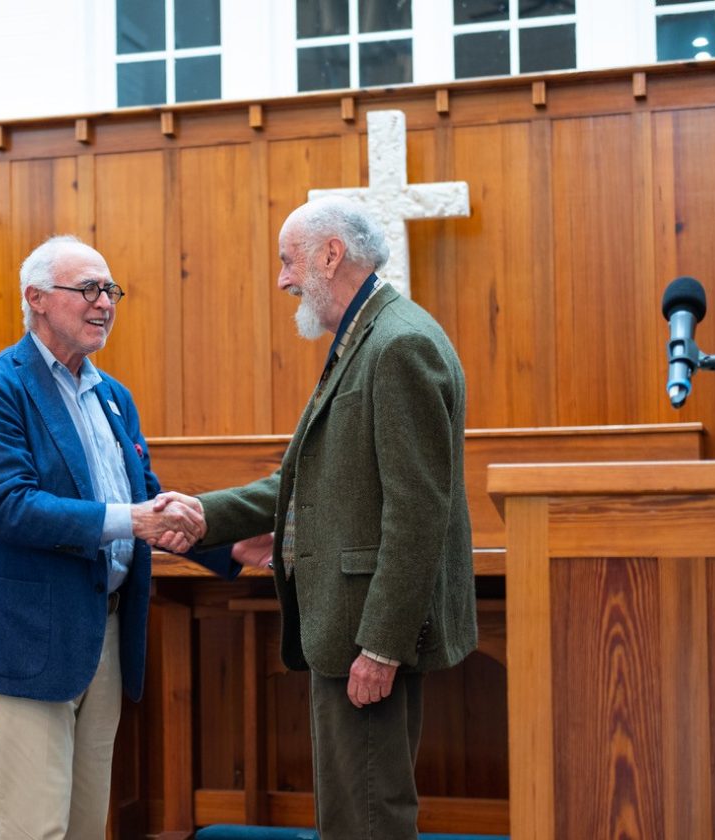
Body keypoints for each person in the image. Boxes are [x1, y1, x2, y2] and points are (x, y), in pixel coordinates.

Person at [174, 196, 477, 839]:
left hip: (364, 630)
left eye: (288, 262)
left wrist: (381, 646)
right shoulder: (367, 336)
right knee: (350, 812)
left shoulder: (397, 345)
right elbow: (305, 482)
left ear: (330, 255)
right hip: (347, 623)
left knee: (367, 815)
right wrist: (204, 515)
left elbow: (419, 512)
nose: (282, 279)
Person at [0, 234, 236, 840]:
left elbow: (150, 501)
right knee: (38, 828)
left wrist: (232, 546)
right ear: (36, 299)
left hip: (106, 631)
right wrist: (130, 519)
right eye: (88, 289)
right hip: (33, 636)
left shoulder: (114, 398)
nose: (104, 302)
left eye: (110, 290)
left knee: (86, 826)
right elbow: (9, 505)